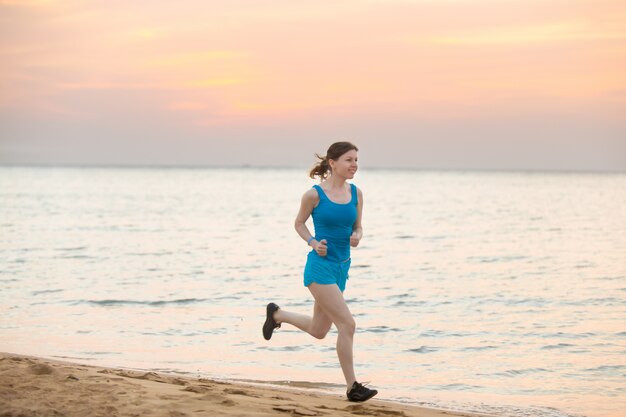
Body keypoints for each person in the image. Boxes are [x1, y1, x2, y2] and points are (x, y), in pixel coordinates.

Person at [262, 141, 378, 402]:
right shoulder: (314, 195)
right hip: (319, 268)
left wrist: (357, 236)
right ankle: (353, 387)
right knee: (347, 324)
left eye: (356, 160)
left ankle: (277, 314)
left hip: (341, 268)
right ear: (332, 163)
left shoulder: (356, 194)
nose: (354, 165)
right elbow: (299, 223)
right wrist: (313, 242)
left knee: (318, 330)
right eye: (349, 160)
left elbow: (359, 227)